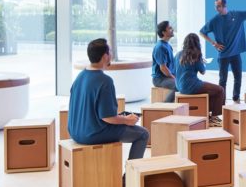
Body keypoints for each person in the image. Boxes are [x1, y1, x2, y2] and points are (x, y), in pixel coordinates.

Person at [68, 39, 148, 177]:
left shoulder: (80, 76)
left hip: (75, 131)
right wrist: (127, 120)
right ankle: (129, 179)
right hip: (92, 134)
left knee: (123, 121)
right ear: (105, 56)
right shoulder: (104, 81)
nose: (111, 54)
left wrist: (121, 118)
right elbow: (108, 117)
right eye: (110, 51)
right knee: (142, 134)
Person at [174, 33, 225, 124]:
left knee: (212, 92)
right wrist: (202, 62)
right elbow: (203, 71)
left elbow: (175, 70)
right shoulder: (196, 54)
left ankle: (206, 113)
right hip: (192, 85)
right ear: (197, 43)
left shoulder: (178, 54)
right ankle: (214, 118)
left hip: (179, 86)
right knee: (220, 90)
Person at [151, 20, 176, 102]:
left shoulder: (168, 45)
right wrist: (173, 77)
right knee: (178, 85)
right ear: (164, 32)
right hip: (160, 79)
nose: (172, 29)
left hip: (167, 77)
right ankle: (165, 105)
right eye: (170, 28)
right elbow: (163, 68)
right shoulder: (160, 47)